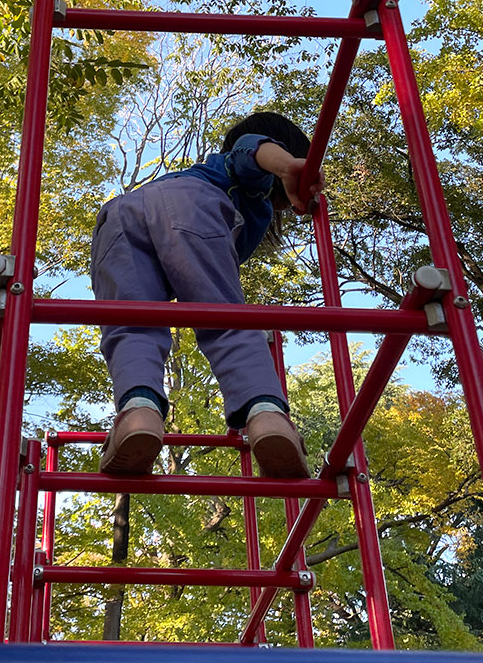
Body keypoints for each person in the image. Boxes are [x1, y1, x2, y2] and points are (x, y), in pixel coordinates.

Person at [90, 111, 322, 478]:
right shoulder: (246, 177)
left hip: (118, 217)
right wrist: (288, 166)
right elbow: (250, 148)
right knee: (225, 319)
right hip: (188, 206)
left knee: (132, 324)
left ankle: (139, 412)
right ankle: (267, 416)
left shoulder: (221, 181)